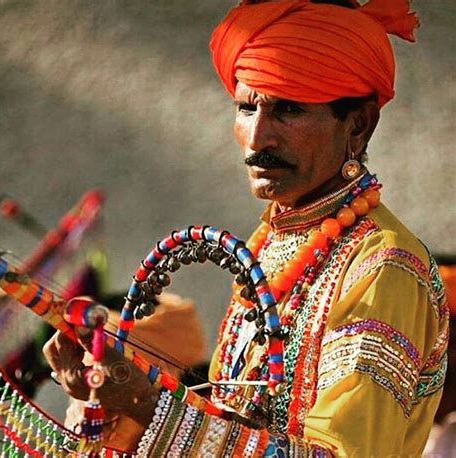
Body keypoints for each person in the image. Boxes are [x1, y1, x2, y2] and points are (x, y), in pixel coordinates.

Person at [43, 0, 449, 456]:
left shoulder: (383, 267)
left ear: (358, 125)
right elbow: (237, 424)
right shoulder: (276, 242)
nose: (257, 139)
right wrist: (115, 404)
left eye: (288, 110)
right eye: (246, 108)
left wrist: (143, 399)